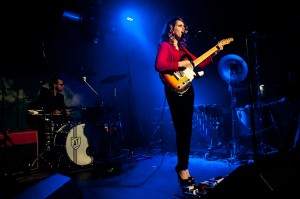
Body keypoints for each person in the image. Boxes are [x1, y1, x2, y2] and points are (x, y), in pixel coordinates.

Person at [154, 16, 224, 186]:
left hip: (188, 90)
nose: (183, 28)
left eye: (184, 26)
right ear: (171, 28)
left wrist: (216, 50)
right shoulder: (165, 46)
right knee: (181, 129)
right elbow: (160, 65)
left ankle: (183, 166)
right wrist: (181, 64)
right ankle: (182, 168)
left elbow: (199, 63)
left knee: (187, 130)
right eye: (179, 25)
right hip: (174, 89)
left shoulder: (184, 48)